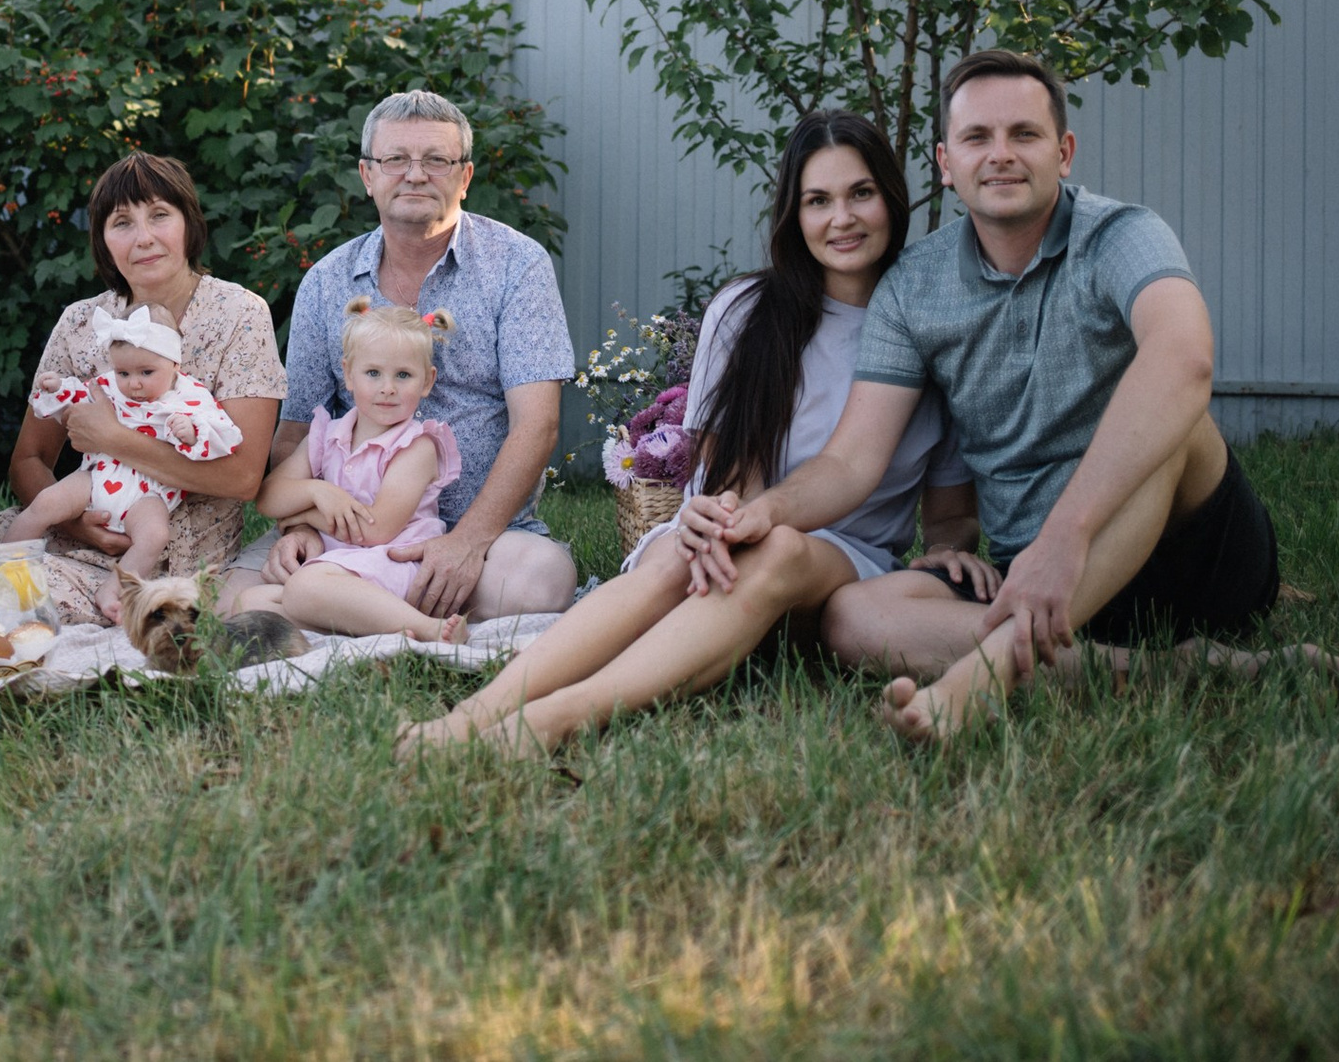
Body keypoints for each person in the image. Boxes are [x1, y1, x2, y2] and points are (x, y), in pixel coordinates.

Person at [770, 50, 1335, 744]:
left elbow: (1186, 359)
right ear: (947, 163)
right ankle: (1172, 670)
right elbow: (852, 462)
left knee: (1175, 419)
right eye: (978, 138)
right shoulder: (912, 287)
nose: (1000, 154)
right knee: (850, 616)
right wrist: (757, 511)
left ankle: (986, 674)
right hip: (1028, 574)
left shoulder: (1121, 235)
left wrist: (1068, 535)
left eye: (1024, 134)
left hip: (1192, 558)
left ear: (1063, 152)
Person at [403, 110, 980, 755]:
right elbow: (728, 468)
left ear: (892, 199)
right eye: (818, 200)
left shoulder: (930, 331)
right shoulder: (747, 312)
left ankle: (556, 720)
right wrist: (725, 515)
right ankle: (477, 714)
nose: (840, 218)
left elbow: (951, 512)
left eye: (860, 194)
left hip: (844, 564)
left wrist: (950, 550)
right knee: (687, 554)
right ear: (794, 213)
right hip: (717, 526)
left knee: (781, 548)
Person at [237, 89, 577, 623]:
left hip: (486, 537)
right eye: (395, 159)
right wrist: (300, 527)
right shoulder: (327, 281)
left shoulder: (517, 264)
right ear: (367, 175)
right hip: (343, 533)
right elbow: (298, 430)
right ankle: (373, 604)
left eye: (436, 160)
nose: (415, 175)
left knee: (538, 585)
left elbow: (538, 425)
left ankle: (342, 607)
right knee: (231, 597)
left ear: (463, 177)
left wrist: (464, 544)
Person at [0, 153, 286, 628]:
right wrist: (72, 520)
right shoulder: (83, 322)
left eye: (160, 215)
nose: (144, 237)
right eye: (122, 222)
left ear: (189, 223)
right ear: (102, 239)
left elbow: (244, 478)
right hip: (75, 524)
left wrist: (114, 439)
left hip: (171, 551)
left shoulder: (240, 314)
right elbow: (28, 461)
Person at [232, 297, 470, 645]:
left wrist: (309, 515)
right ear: (348, 374)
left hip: (393, 565)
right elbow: (268, 497)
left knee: (305, 587)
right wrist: (319, 491)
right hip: (342, 569)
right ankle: (372, 626)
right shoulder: (328, 434)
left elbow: (377, 531)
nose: (387, 387)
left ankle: (428, 628)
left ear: (427, 381)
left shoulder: (417, 446)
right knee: (248, 602)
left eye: (403, 375)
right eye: (373, 373)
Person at [8, 305, 244, 585]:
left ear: (174, 365)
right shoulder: (108, 385)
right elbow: (82, 396)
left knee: (155, 536)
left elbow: (224, 434)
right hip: (97, 477)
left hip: (149, 492)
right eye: (124, 373)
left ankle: (116, 592)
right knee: (45, 502)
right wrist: (59, 388)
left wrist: (193, 433)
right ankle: (4, 561)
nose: (134, 384)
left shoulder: (191, 397)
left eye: (146, 372)